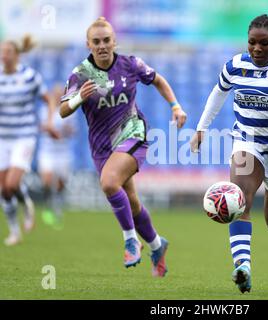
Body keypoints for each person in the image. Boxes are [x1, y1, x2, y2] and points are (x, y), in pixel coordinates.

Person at [190, 14, 268, 293]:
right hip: (247, 141)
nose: (257, 49)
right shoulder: (235, 65)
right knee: (240, 198)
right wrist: (201, 128)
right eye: (252, 43)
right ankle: (242, 267)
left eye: (264, 44)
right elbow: (217, 94)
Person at [59, 17, 187, 277]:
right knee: (131, 202)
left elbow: (159, 80)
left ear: (114, 41)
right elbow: (62, 110)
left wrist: (176, 106)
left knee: (108, 184)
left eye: (107, 40)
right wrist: (78, 99)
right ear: (89, 44)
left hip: (133, 133)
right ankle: (156, 244)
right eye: (96, 42)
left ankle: (131, 239)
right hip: (102, 147)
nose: (102, 45)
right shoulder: (80, 74)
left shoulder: (130, 64)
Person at [0, 35, 57, 246]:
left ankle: (27, 206)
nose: (3, 56)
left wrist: (50, 121)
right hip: (3, 138)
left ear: (16, 55)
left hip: (24, 137)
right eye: (2, 52)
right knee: (4, 189)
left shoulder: (30, 76)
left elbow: (49, 98)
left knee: (12, 182)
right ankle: (14, 231)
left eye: (7, 52)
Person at [38, 84, 76, 230]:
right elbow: (42, 126)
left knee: (61, 184)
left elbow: (73, 131)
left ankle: (57, 207)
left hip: (63, 152)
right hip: (47, 152)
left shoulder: (68, 111)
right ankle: (48, 208)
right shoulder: (45, 111)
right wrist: (50, 130)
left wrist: (64, 131)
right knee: (47, 181)